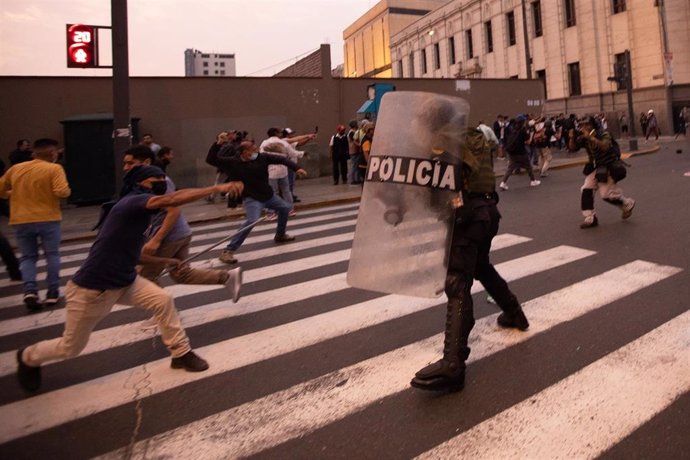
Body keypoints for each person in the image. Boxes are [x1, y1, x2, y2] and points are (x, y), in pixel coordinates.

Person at [15, 165, 244, 392]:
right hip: (93, 289)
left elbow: (136, 255)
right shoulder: (132, 202)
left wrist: (168, 262)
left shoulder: (139, 215)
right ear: (141, 183)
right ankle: (27, 356)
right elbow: (172, 200)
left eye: (163, 178)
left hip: (125, 281)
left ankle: (181, 353)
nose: (161, 183)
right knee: (70, 347)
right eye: (157, 179)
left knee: (162, 300)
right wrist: (217, 187)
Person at [410, 128, 529, 393]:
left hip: (467, 219)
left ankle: (453, 364)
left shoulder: (441, 146)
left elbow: (438, 189)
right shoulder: (468, 137)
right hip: (488, 213)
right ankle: (514, 313)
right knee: (481, 267)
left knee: (457, 283)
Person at [121, 146, 241, 294]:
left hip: (168, 237)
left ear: (146, 162)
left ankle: (166, 315)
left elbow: (173, 209)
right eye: (125, 163)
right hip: (180, 233)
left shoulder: (156, 180)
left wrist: (156, 240)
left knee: (146, 277)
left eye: (130, 163)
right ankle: (226, 277)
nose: (125, 168)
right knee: (181, 273)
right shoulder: (147, 179)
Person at [207, 139, 307, 264]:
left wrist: (296, 168)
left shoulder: (262, 157)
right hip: (252, 198)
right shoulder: (233, 162)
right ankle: (228, 251)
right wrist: (218, 143)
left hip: (268, 195)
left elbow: (282, 159)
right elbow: (211, 159)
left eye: (256, 149)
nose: (256, 152)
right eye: (253, 150)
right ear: (244, 152)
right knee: (251, 221)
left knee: (285, 209)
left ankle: (280, 235)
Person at [0, 138, 71, 311]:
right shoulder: (54, 169)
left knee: (28, 257)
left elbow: (1, 190)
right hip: (48, 217)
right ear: (52, 153)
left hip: (21, 219)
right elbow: (62, 191)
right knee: (52, 254)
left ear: (34, 153)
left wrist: (13, 193)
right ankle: (52, 292)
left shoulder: (16, 169)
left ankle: (30, 290)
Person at [569, 116, 635, 228]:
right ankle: (590, 217)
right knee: (586, 189)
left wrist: (590, 137)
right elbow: (572, 148)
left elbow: (605, 146)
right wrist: (571, 137)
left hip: (607, 166)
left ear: (593, 124)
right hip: (595, 167)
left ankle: (627, 203)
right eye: (581, 125)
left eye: (586, 124)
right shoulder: (584, 137)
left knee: (606, 195)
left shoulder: (603, 134)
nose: (584, 127)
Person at [499, 116, 541, 190]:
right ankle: (533, 181)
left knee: (510, 168)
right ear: (522, 122)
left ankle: (503, 183)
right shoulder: (523, 131)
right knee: (529, 167)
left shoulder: (513, 129)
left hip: (512, 152)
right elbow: (528, 142)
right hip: (521, 152)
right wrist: (531, 135)